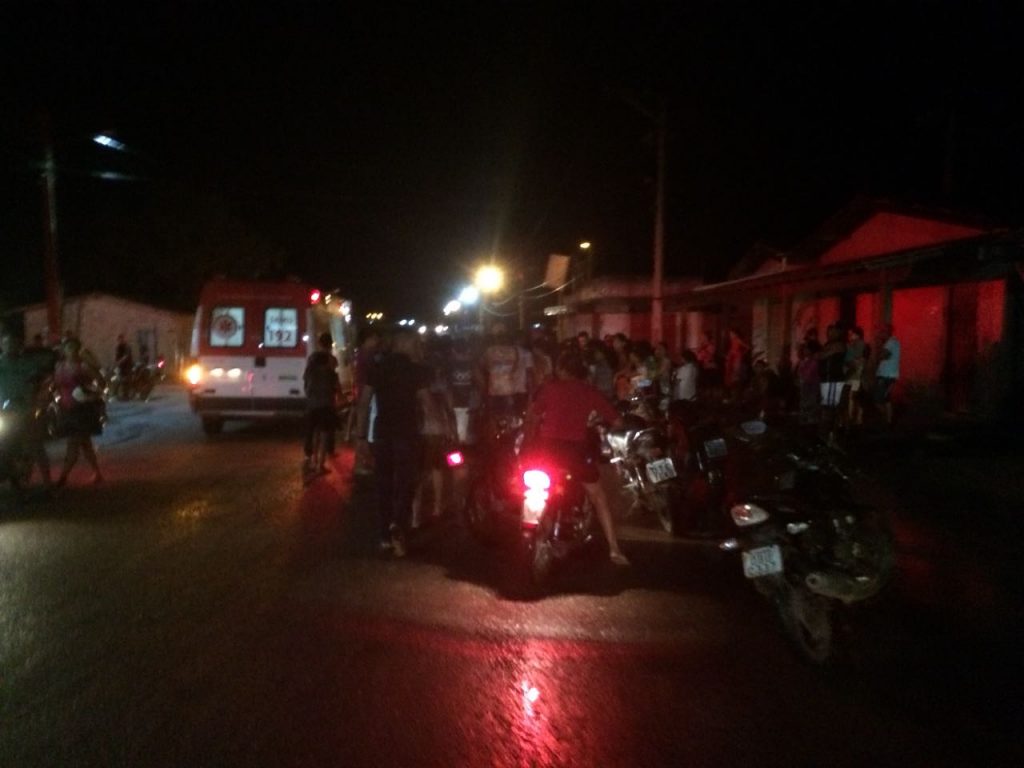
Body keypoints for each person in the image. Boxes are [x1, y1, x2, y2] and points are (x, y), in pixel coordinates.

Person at [527, 349, 630, 566]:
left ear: (562, 369)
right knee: (598, 497)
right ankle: (614, 549)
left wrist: (532, 437)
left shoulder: (549, 389)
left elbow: (533, 416)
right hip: (576, 452)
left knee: (540, 489)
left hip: (547, 450)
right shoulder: (589, 391)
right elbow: (617, 421)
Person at [355, 330, 431, 557]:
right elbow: (426, 403)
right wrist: (437, 427)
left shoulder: (378, 368)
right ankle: (399, 525)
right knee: (407, 483)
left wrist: (360, 437)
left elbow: (364, 403)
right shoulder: (416, 371)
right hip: (407, 433)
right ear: (406, 345)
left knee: (384, 484)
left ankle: (384, 536)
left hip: (382, 432)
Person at [0, 327, 54, 490]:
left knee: (35, 445)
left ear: (19, 345)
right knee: (4, 445)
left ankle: (48, 484)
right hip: (5, 411)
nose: (10, 347)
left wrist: (38, 393)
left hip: (27, 410)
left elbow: (44, 376)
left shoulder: (29, 363)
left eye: (13, 343)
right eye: (6, 343)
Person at [54, 337, 105, 487]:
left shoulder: (83, 366)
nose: (72, 351)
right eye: (69, 348)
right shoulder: (59, 366)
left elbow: (101, 383)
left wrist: (91, 392)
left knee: (73, 443)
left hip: (81, 409)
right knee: (85, 443)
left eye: (75, 348)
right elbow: (55, 385)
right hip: (66, 408)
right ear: (64, 350)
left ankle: (62, 478)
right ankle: (97, 473)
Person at [302, 332, 341, 473]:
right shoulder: (331, 362)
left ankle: (313, 460)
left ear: (320, 343)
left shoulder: (312, 359)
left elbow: (305, 379)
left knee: (315, 433)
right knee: (324, 434)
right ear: (330, 344)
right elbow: (335, 383)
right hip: (326, 402)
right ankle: (320, 465)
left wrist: (308, 393)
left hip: (312, 402)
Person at [351, 328, 381, 475]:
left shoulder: (361, 354)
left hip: (362, 393)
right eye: (374, 338)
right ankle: (360, 463)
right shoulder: (367, 356)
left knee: (362, 428)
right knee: (364, 429)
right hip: (367, 395)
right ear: (367, 339)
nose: (377, 342)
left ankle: (361, 462)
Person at [873, 323, 901, 425]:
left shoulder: (891, 342)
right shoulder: (893, 342)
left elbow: (883, 355)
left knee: (877, 400)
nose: (880, 333)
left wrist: (879, 346)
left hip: (886, 376)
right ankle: (889, 421)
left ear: (887, 332)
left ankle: (885, 419)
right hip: (889, 375)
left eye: (882, 331)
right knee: (886, 399)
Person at [844, 326, 867, 427]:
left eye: (851, 334)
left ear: (857, 335)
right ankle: (857, 418)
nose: (849, 336)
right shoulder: (852, 345)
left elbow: (857, 359)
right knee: (854, 396)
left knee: (853, 396)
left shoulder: (859, 344)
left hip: (855, 374)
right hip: (852, 374)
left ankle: (853, 418)